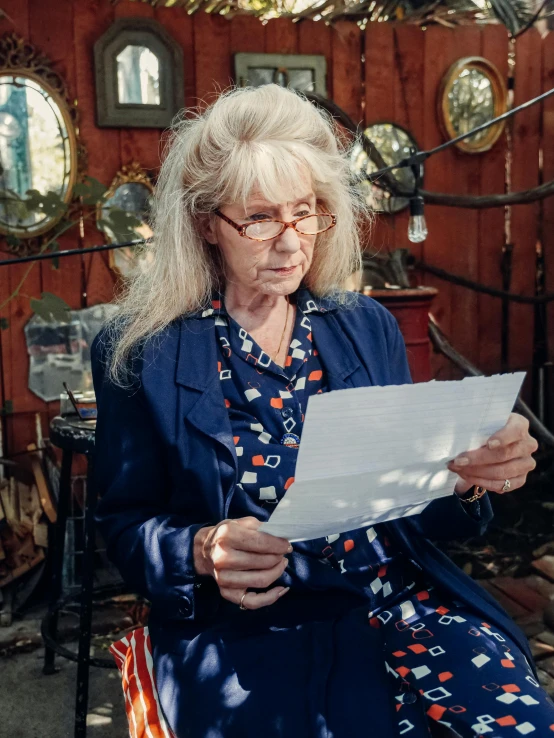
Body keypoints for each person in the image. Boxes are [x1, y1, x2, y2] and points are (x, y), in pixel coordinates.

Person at [91, 85, 550, 738]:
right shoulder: (144, 353)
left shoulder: (365, 327)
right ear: (203, 223)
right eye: (260, 218)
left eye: (305, 213)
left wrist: (469, 473)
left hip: (396, 601)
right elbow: (124, 527)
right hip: (249, 635)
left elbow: (426, 513)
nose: (290, 243)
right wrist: (199, 549)